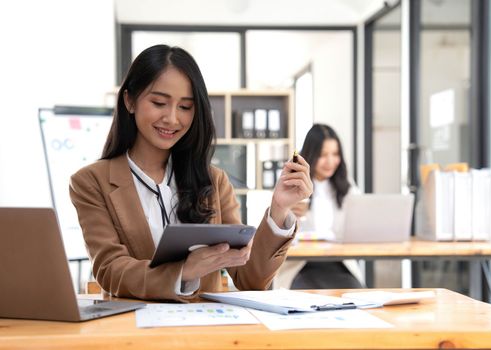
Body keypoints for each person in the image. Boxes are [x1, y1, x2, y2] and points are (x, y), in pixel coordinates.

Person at [69, 45, 313, 301]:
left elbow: (250, 278)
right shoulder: (91, 182)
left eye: (185, 107)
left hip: (205, 332)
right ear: (129, 100)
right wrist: (183, 271)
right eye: (159, 103)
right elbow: (110, 270)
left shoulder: (214, 181)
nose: (172, 119)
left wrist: (279, 209)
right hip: (136, 333)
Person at [273, 124, 364, 289]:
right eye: (323, 155)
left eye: (335, 154)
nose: (330, 162)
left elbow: (356, 228)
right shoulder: (293, 185)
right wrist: (288, 214)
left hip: (339, 264)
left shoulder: (347, 187)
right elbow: (273, 234)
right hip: (302, 265)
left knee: (356, 294)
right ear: (311, 155)